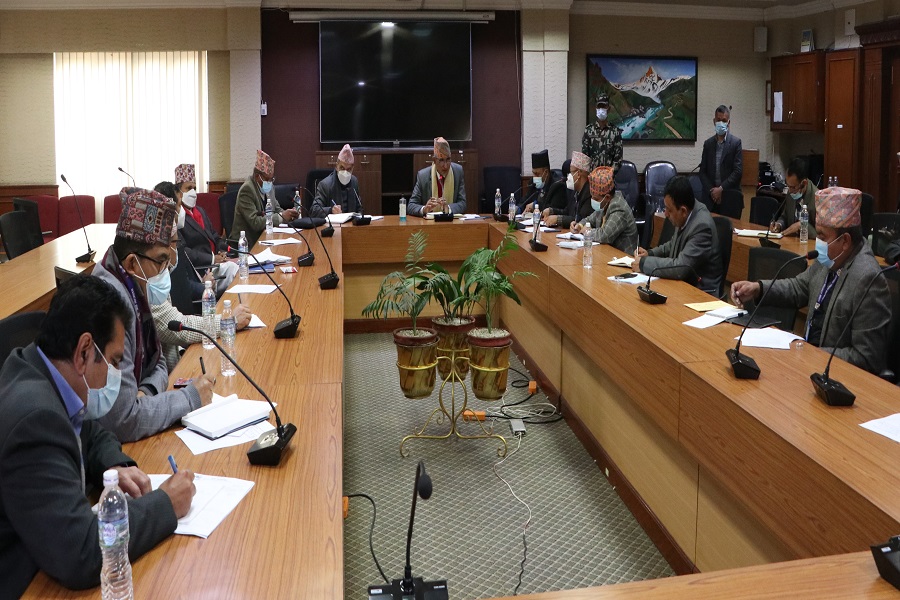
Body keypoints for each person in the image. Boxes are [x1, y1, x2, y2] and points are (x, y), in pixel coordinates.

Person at [0, 276, 195, 597]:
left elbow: (90, 431)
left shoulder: (40, 368)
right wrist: (165, 505)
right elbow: (82, 552)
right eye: (114, 361)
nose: (115, 374)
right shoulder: (36, 421)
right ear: (84, 351)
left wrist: (115, 466)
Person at [92, 188, 215, 442]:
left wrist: (145, 393)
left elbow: (158, 363)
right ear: (131, 263)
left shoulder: (137, 284)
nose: (166, 270)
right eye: (160, 261)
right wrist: (190, 398)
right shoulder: (110, 305)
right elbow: (124, 421)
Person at [731, 187, 891, 374]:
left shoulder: (868, 279)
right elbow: (798, 287)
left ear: (845, 241)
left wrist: (810, 354)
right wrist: (758, 288)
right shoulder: (830, 258)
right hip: (808, 365)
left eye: (822, 236)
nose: (818, 243)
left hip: (836, 377)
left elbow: (866, 358)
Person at [634, 175, 723, 296]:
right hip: (682, 286)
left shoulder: (702, 226)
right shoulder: (686, 212)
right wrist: (650, 253)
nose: (666, 214)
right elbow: (673, 244)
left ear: (683, 211)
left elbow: (681, 268)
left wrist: (643, 263)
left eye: (669, 210)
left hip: (701, 294)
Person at [172, 164, 238, 291]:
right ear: (178, 192)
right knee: (234, 269)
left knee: (242, 265)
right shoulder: (178, 217)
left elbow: (214, 236)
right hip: (202, 270)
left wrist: (223, 251)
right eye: (188, 188)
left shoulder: (200, 211)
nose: (193, 192)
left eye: (194, 188)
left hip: (216, 263)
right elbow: (185, 252)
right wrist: (212, 259)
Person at [232, 149, 299, 247]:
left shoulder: (269, 186)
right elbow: (255, 222)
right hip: (247, 244)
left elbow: (277, 209)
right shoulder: (247, 190)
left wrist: (289, 214)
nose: (270, 182)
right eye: (267, 179)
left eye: (272, 179)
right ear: (257, 176)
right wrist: (281, 217)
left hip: (266, 238)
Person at [572, 166, 639, 255]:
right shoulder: (604, 204)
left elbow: (604, 236)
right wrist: (579, 226)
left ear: (607, 197)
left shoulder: (618, 207)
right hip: (607, 253)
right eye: (592, 197)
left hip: (623, 257)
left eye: (595, 198)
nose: (593, 200)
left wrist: (587, 231)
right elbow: (589, 219)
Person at [408, 137, 466, 217]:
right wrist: (425, 209)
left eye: (448, 159)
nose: (445, 166)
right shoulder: (423, 176)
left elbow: (462, 203)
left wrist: (448, 208)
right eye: (441, 160)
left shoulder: (458, 172)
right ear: (434, 160)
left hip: (451, 221)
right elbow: (411, 206)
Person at [698, 105, 743, 209]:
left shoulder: (736, 143)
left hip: (730, 198)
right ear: (714, 121)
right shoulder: (708, 144)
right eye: (718, 120)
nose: (721, 123)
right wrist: (713, 192)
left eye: (724, 120)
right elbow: (702, 172)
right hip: (710, 199)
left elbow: (738, 171)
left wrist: (721, 189)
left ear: (728, 123)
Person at [310, 144, 362, 218]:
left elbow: (359, 209)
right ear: (336, 166)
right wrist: (330, 210)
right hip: (334, 224)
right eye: (342, 168)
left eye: (349, 169)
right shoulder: (325, 185)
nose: (345, 172)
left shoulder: (354, 182)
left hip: (351, 223)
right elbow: (314, 210)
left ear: (353, 168)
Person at [770, 157, 818, 238]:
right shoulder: (790, 192)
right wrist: (779, 225)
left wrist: (802, 225)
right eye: (788, 186)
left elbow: (821, 236)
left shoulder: (818, 199)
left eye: (793, 187)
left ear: (804, 183)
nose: (790, 191)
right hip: (792, 242)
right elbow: (785, 217)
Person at [544, 151, 593, 229]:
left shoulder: (590, 193)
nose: (568, 177)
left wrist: (558, 219)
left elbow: (581, 219)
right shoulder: (576, 191)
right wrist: (551, 211)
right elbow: (567, 211)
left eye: (571, 172)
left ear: (578, 174)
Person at [581, 93, 623, 173]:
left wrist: (610, 173)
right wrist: (590, 174)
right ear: (596, 108)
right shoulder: (589, 130)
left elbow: (618, 158)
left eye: (603, 107)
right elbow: (585, 156)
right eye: (599, 107)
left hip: (609, 176)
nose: (601, 109)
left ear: (608, 109)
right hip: (592, 175)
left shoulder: (615, 131)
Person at [521, 149, 564, 216]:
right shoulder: (533, 182)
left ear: (546, 172)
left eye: (537, 174)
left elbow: (553, 207)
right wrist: (518, 208)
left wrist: (535, 205)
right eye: (533, 173)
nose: (534, 177)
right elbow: (525, 200)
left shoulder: (557, 185)